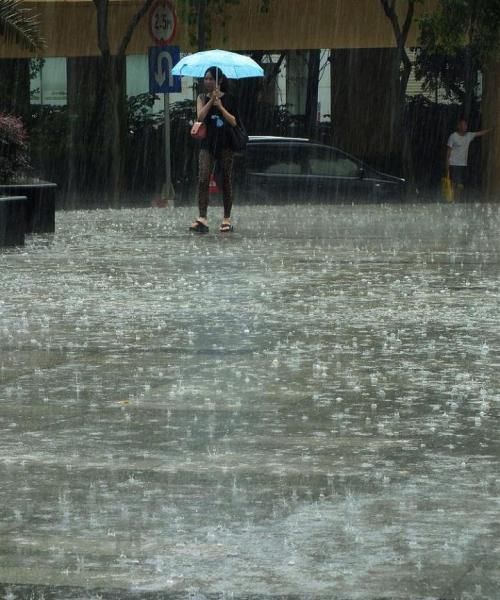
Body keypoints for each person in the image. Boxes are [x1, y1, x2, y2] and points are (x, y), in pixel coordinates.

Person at [189, 67, 239, 233]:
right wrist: (211, 101)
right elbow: (200, 117)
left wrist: (221, 106)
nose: (207, 82)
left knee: (225, 179)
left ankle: (226, 218)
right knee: (203, 178)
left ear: (219, 81)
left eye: (211, 79)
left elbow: (233, 121)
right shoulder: (202, 98)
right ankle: (202, 217)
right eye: (206, 79)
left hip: (225, 144)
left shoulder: (230, 99)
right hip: (207, 144)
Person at [446, 118, 491, 200]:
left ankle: (455, 200)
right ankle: (454, 200)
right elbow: (448, 151)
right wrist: (447, 164)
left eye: (466, 125)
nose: (465, 127)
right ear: (458, 126)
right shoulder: (453, 136)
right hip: (453, 163)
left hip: (463, 164)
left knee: (460, 184)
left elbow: (479, 133)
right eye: (463, 125)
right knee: (456, 184)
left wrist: (491, 129)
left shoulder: (469, 135)